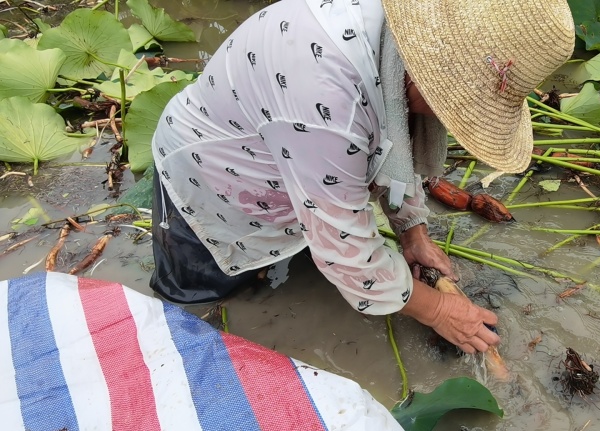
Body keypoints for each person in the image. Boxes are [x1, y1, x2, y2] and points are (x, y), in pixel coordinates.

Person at [150, 0, 575, 354]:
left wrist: (413, 232)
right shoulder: (330, 101)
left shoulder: (395, 39)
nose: (449, 119)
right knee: (196, 310)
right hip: (212, 182)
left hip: (292, 164)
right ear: (428, 77)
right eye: (455, 108)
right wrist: (439, 311)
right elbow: (344, 250)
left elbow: (394, 137)